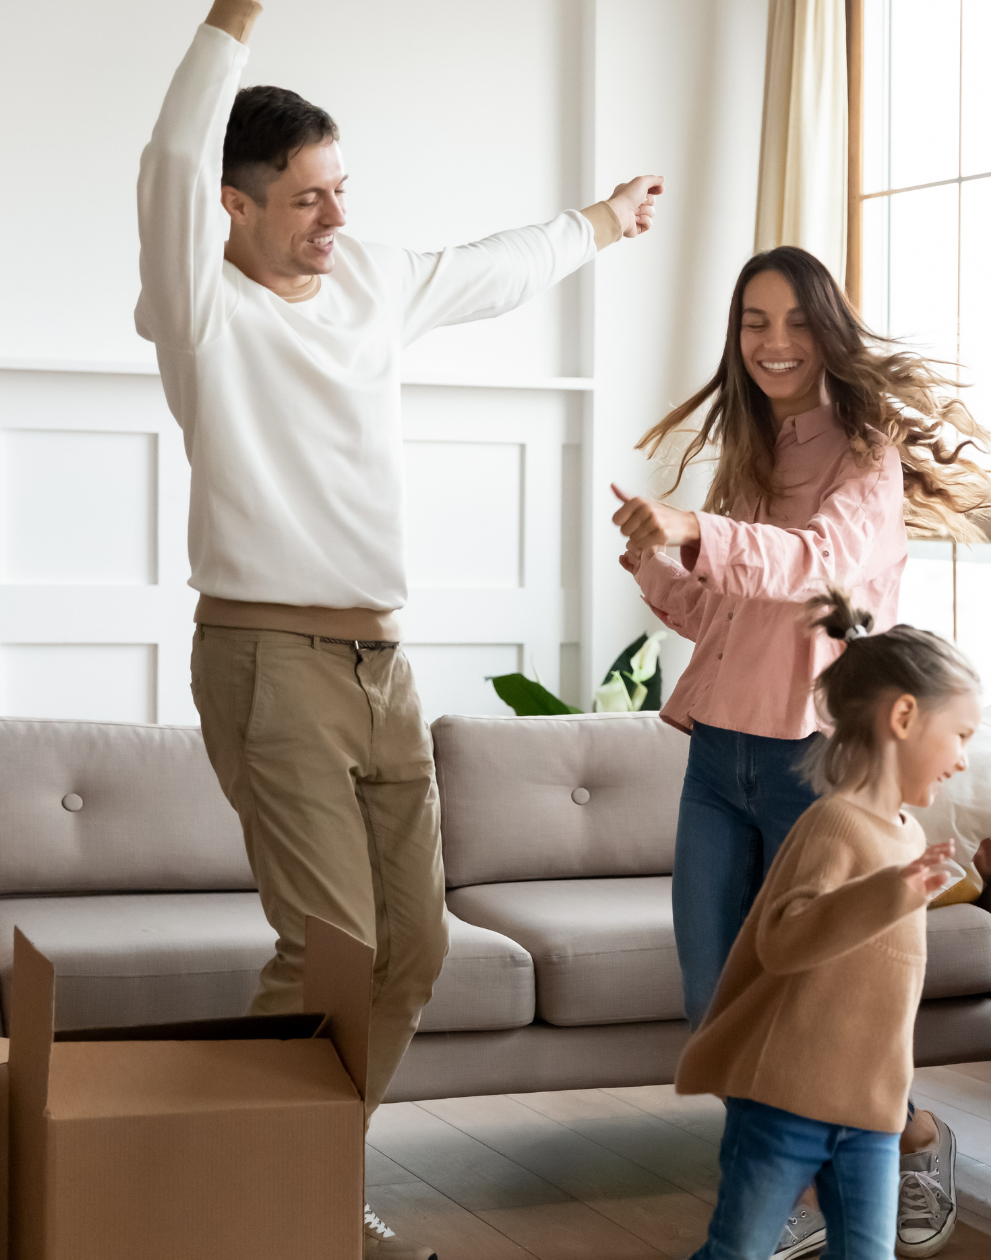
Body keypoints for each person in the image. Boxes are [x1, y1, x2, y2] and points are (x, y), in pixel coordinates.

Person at [139, 3, 661, 1256]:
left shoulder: (366, 280)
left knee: (414, 952)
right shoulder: (200, 312)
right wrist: (233, 19)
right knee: (331, 951)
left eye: (339, 191)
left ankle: (279, 1176)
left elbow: (485, 268)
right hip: (267, 658)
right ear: (237, 206)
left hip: (382, 663)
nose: (334, 218)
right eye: (307, 198)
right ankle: (219, 1191)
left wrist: (598, 221)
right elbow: (165, 157)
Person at [611, 246, 991, 1257]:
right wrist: (656, 563)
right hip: (720, 761)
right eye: (753, 321)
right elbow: (722, 613)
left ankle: (908, 1134)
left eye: (792, 321)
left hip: (817, 764)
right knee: (718, 997)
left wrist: (696, 530)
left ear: (826, 330)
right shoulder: (748, 460)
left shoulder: (865, 457)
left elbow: (815, 570)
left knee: (831, 999)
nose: (772, 342)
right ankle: (788, 1191)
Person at [673, 591, 982, 1260]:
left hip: (869, 1113)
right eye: (960, 736)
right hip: (788, 1105)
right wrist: (889, 892)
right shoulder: (834, 824)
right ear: (903, 716)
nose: (963, 758)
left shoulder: (907, 832)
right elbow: (785, 939)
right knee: (739, 1251)